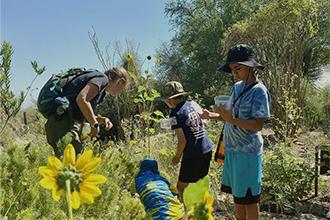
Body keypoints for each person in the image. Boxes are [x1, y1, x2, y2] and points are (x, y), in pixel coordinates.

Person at [204, 44, 271, 220]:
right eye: (232, 69)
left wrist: (230, 118)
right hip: (232, 150)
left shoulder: (259, 91)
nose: (234, 73)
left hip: (248, 153)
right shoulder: (237, 87)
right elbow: (229, 116)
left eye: (237, 68)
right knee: (238, 198)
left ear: (250, 66)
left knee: (250, 199)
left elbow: (258, 125)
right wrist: (211, 115)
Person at [44, 67, 128, 156]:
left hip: (58, 123)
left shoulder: (101, 90)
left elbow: (85, 113)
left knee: (66, 163)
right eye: (122, 89)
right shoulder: (102, 79)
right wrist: (94, 125)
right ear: (120, 81)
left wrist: (102, 120)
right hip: (63, 124)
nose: (120, 92)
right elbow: (81, 99)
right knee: (75, 163)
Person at [160, 81, 213, 204]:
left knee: (181, 187)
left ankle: (188, 214)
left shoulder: (174, 114)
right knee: (199, 185)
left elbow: (182, 141)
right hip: (206, 148)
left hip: (193, 153)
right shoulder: (191, 104)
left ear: (170, 99)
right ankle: (202, 211)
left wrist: (176, 158)